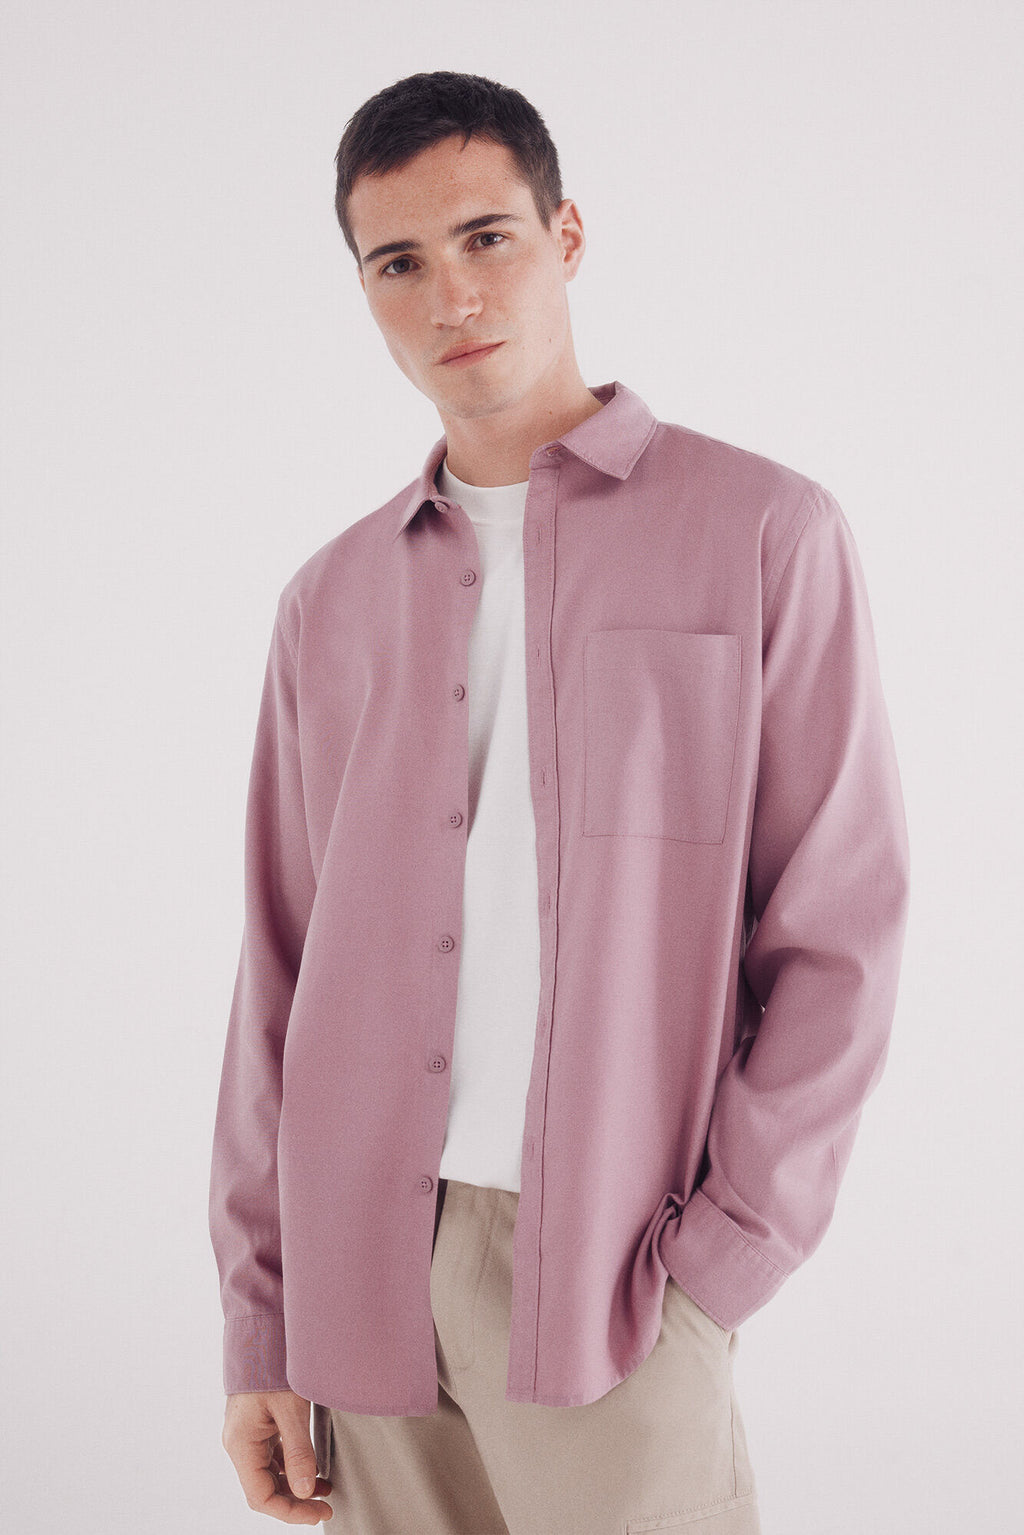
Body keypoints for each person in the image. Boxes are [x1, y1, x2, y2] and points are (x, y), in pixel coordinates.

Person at [209, 70, 910, 1532]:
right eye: (399, 263)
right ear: (363, 289)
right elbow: (279, 976)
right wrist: (263, 1324)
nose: (452, 296)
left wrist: (722, 1260)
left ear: (566, 235)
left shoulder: (763, 532)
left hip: (616, 1276)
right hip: (359, 1286)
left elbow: (840, 932)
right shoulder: (329, 601)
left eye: (487, 238)